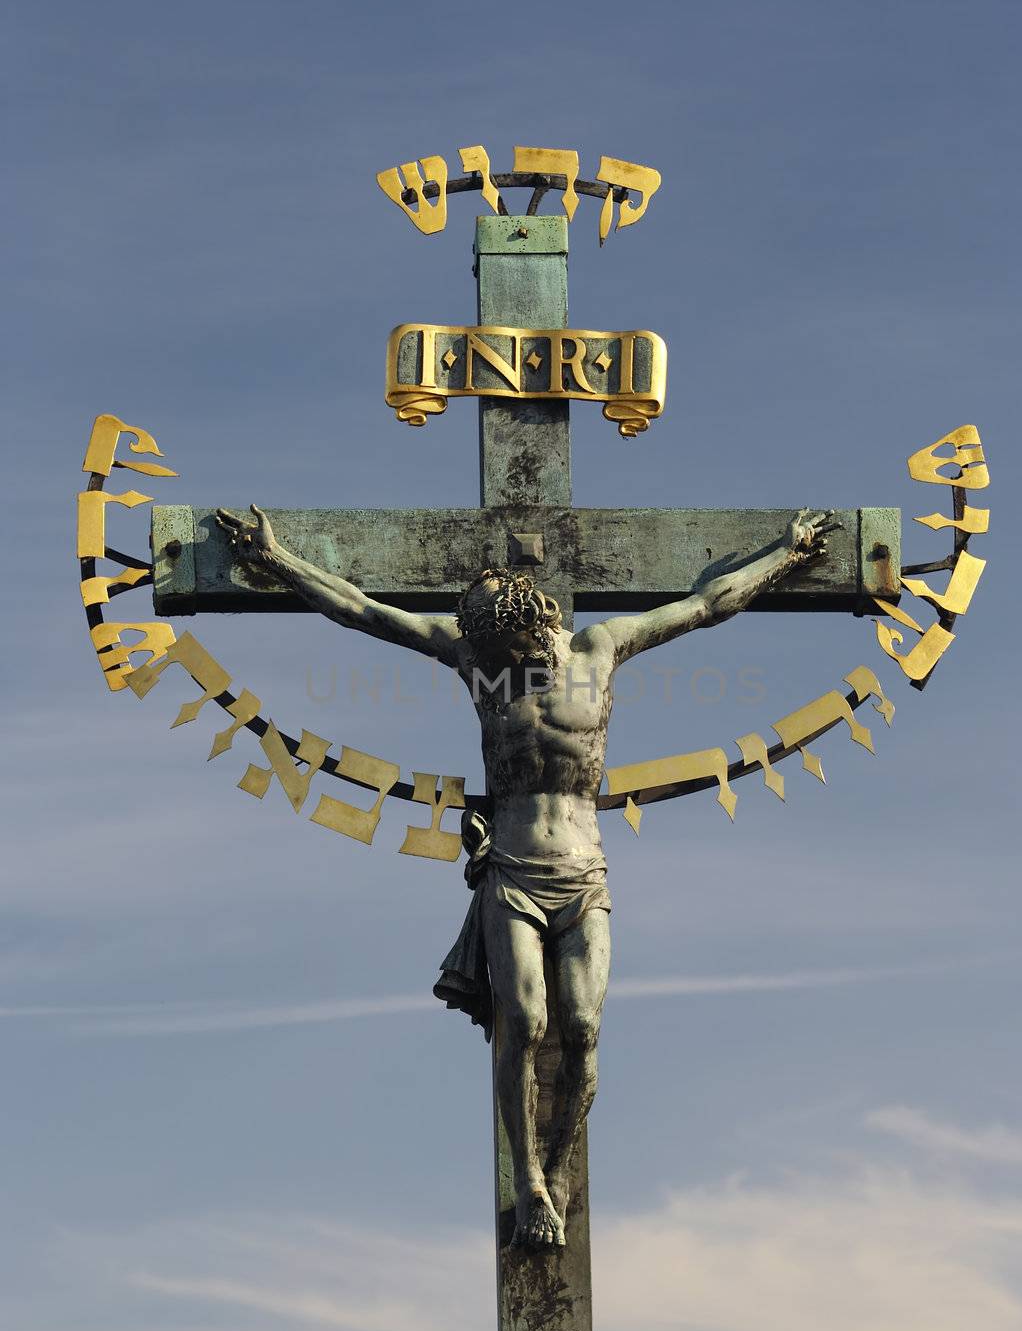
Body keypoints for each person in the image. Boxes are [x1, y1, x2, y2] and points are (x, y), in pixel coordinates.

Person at [217, 503, 833, 1248]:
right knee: (526, 1024)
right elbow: (361, 610)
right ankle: (529, 1180)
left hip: (581, 870)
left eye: (506, 643)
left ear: (534, 624)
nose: (500, 660)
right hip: (511, 868)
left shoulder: (600, 649)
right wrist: (278, 560)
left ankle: (560, 1168)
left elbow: (706, 605)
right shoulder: (478, 660)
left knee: (580, 1027)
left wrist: (786, 558)